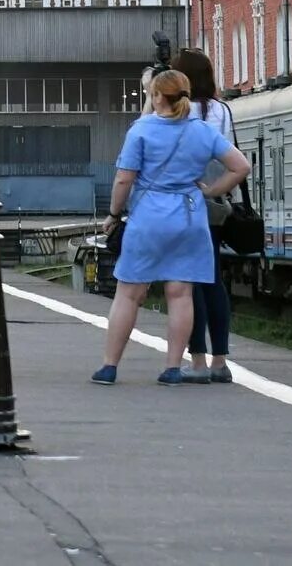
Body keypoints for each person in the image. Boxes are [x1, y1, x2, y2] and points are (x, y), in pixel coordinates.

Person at [92, 68, 250, 385]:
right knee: (180, 295)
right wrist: (212, 191)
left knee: (129, 294)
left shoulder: (141, 130)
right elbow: (241, 166)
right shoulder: (202, 131)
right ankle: (173, 368)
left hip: (149, 219)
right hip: (189, 218)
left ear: (156, 96)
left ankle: (110, 366)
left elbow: (125, 178)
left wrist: (113, 212)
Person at [174, 46, 237, 383]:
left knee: (188, 284)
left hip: (182, 204)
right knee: (213, 280)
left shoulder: (176, 112)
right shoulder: (222, 111)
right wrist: (213, 189)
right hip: (213, 205)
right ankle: (220, 361)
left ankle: (197, 359)